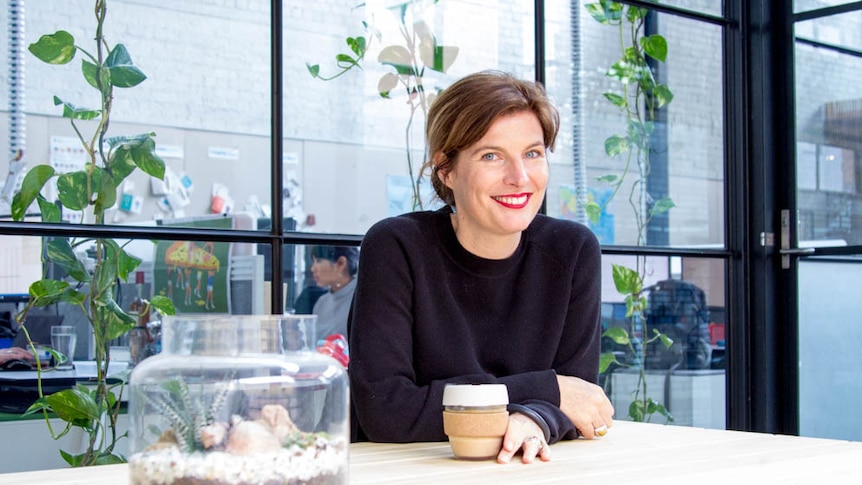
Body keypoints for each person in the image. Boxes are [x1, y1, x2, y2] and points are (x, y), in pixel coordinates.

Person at [348, 70, 614, 464]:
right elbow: (386, 411)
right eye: (491, 155)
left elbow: (580, 401)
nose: (519, 178)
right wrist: (542, 392)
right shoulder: (397, 247)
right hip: (410, 470)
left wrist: (537, 414)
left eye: (532, 153)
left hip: (528, 470)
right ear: (446, 169)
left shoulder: (572, 251)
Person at [310, 245, 359, 342]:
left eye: (319, 261)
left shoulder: (362, 299)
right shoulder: (321, 303)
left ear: (341, 263)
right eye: (313, 261)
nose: (313, 268)